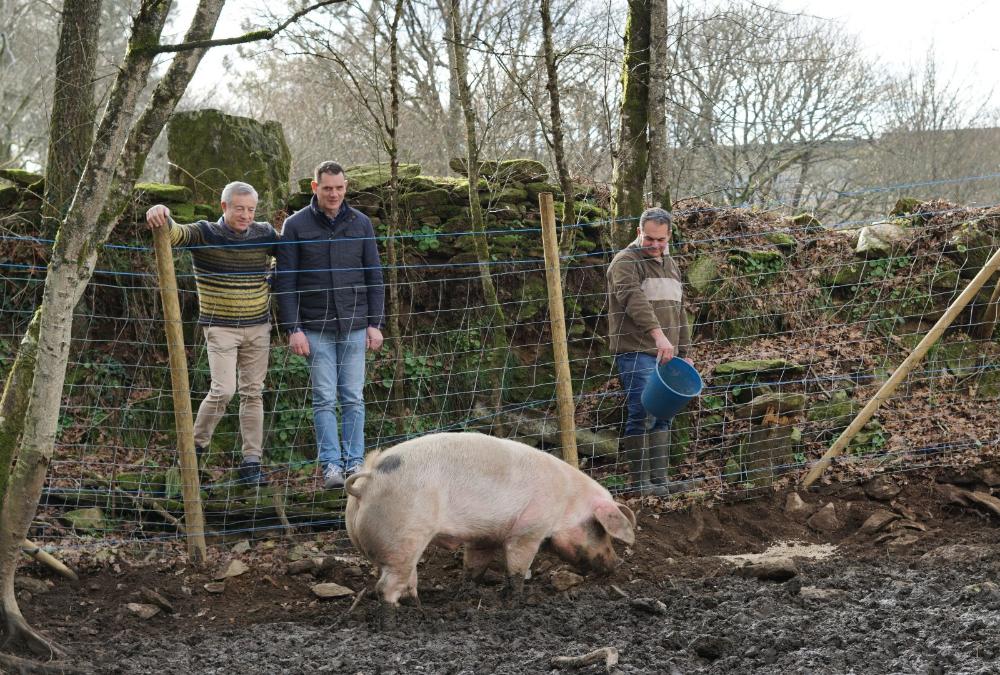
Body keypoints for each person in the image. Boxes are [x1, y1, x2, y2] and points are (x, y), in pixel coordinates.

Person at [146, 181, 278, 486]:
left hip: (258, 326)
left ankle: (252, 462)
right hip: (220, 328)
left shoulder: (264, 233)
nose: (246, 215)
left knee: (253, 393)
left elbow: (292, 251)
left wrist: (276, 273)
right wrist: (161, 213)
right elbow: (175, 233)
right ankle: (194, 448)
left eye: (250, 209)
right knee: (223, 390)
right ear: (224, 206)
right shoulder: (206, 232)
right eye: (239, 208)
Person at [274, 161, 385, 490]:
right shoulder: (295, 226)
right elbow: (286, 282)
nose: (334, 194)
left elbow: (374, 276)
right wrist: (293, 327)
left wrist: (375, 323)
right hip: (314, 327)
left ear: (346, 187)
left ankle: (355, 465)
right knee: (323, 398)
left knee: (353, 398)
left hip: (354, 324)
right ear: (315, 187)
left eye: (339, 188)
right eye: (327, 188)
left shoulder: (361, 223)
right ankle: (331, 469)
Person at [606, 207, 693, 496]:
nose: (655, 245)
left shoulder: (671, 264)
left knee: (664, 415)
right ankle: (640, 484)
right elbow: (634, 301)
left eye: (661, 240)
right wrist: (658, 337)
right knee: (642, 413)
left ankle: (660, 482)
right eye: (650, 238)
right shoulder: (625, 262)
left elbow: (679, 311)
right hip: (637, 351)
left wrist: (685, 352)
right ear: (638, 233)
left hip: (669, 354)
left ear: (670, 237)